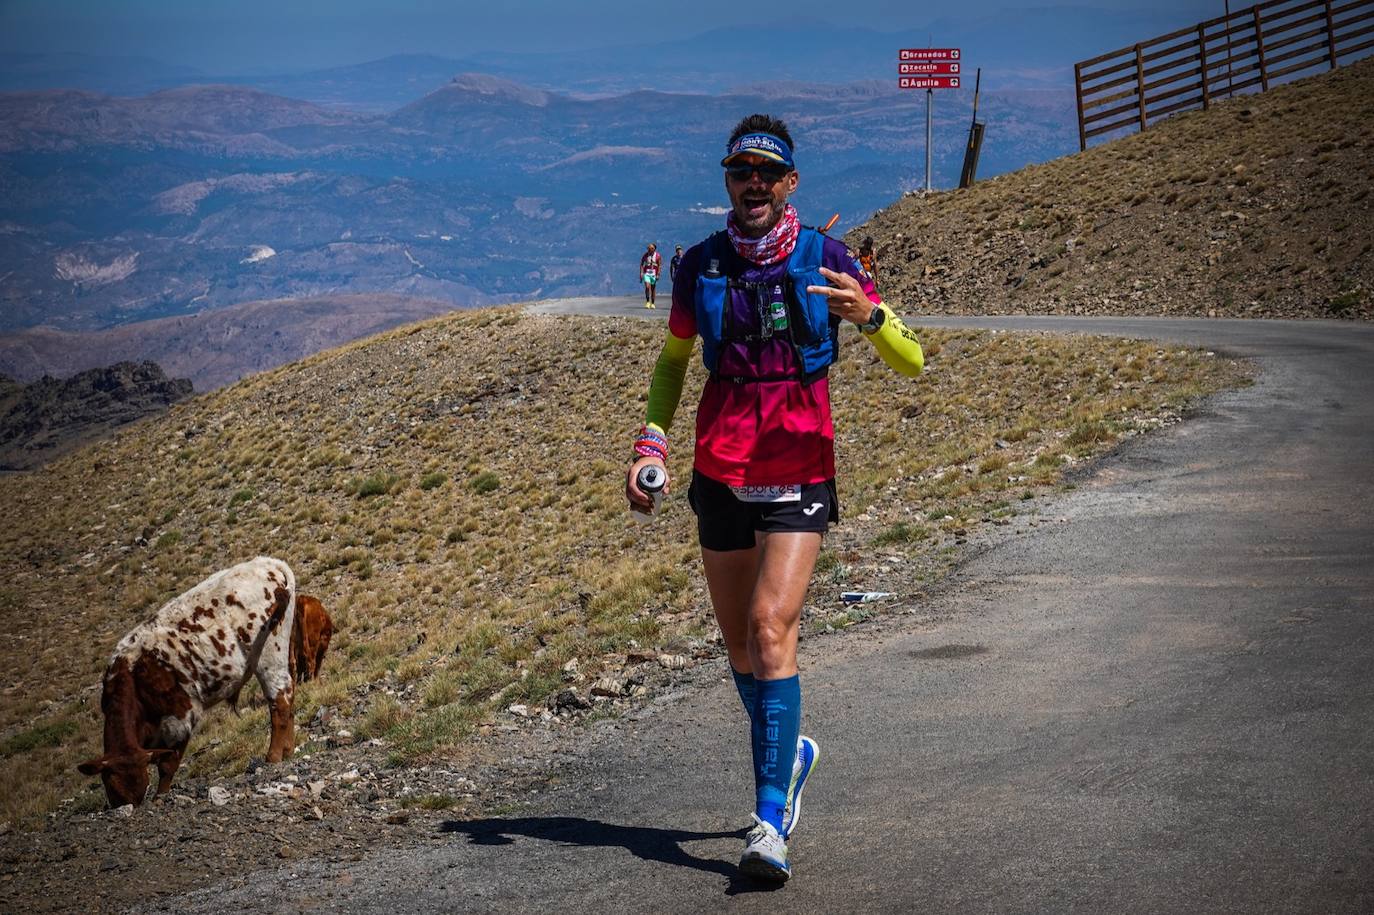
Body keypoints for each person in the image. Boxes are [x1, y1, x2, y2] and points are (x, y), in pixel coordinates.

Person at [624, 114, 925, 883]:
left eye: (766, 171)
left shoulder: (830, 260)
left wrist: (875, 317)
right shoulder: (701, 265)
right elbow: (672, 363)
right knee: (737, 648)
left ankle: (768, 823)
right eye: (739, 171)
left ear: (791, 183)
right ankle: (790, 754)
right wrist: (650, 442)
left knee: (768, 628)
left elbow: (913, 361)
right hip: (720, 469)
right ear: (728, 181)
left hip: (798, 468)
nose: (751, 182)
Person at [640, 242, 662, 308]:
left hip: (654, 274)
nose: (649, 249)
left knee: (653, 288)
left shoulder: (658, 256)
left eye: (651, 248)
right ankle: (647, 302)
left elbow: (659, 265)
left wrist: (658, 274)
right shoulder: (645, 255)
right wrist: (641, 273)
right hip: (647, 273)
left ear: (654, 249)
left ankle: (652, 303)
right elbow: (641, 264)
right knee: (647, 286)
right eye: (648, 248)